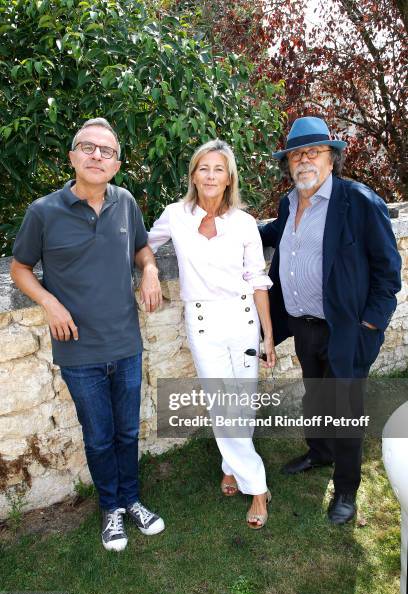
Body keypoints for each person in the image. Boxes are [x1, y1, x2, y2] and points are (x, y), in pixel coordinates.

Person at [10, 118, 165, 551]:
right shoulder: (43, 212)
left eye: (107, 151)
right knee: (98, 437)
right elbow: (20, 269)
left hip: (126, 344)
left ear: (116, 164)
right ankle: (111, 510)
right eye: (88, 147)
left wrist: (150, 270)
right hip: (79, 353)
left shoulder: (126, 202)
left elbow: (142, 248)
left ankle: (132, 500)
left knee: (128, 433)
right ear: (73, 156)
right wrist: (49, 301)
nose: (97, 156)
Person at [260, 116, 401, 524]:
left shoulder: (358, 202)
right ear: (288, 164)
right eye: (296, 155)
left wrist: (370, 325)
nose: (304, 160)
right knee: (315, 395)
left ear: (331, 158)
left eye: (313, 152)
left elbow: (388, 272)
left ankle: (346, 489)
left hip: (347, 330)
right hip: (303, 325)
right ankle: (319, 453)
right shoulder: (289, 205)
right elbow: (269, 234)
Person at [148, 139, 277, 528]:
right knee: (224, 404)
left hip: (242, 319)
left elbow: (257, 280)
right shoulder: (175, 215)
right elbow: (142, 247)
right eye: (203, 168)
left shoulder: (243, 223)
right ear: (193, 174)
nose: (210, 175)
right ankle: (258, 487)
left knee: (243, 399)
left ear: (229, 178)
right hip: (203, 322)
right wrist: (151, 270)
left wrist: (268, 336)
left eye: (218, 169)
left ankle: (230, 466)